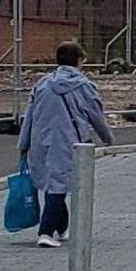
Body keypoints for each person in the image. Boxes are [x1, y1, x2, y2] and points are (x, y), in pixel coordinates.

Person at [19, 41, 115, 248]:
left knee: (52, 182)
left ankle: (61, 228)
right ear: (79, 61)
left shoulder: (42, 83)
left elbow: (30, 115)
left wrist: (24, 143)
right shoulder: (83, 85)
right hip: (69, 140)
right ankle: (45, 232)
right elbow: (95, 114)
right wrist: (107, 137)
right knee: (58, 184)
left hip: (40, 140)